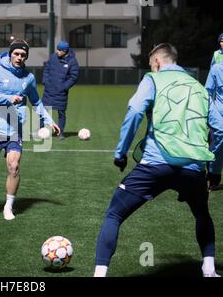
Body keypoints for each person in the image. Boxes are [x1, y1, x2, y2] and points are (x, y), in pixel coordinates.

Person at [93, 43, 223, 277]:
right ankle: (209, 269)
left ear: (157, 62)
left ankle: (99, 274)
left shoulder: (153, 79)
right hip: (192, 167)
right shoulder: (199, 87)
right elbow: (219, 130)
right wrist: (213, 170)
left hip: (156, 163)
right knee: (202, 213)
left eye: (151, 63)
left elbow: (134, 111)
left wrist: (120, 153)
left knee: (114, 214)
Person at [0, 39, 61, 221]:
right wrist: (8, 98)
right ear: (10, 53)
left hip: (15, 130)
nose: (19, 57)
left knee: (14, 166)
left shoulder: (28, 78)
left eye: (23, 55)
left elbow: (36, 102)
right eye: (16, 54)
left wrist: (50, 121)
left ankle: (8, 206)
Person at [40, 41, 79, 140]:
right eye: (57, 49)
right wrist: (45, 81)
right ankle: (41, 131)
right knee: (43, 111)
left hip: (61, 92)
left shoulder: (72, 61)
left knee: (61, 112)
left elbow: (73, 77)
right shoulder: (53, 57)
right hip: (49, 89)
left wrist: (64, 87)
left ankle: (60, 132)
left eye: (59, 50)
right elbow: (47, 69)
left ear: (65, 51)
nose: (57, 51)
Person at [205, 58, 223, 190]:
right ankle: (213, 176)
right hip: (218, 114)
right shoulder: (216, 68)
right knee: (217, 143)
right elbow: (208, 93)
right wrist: (211, 115)